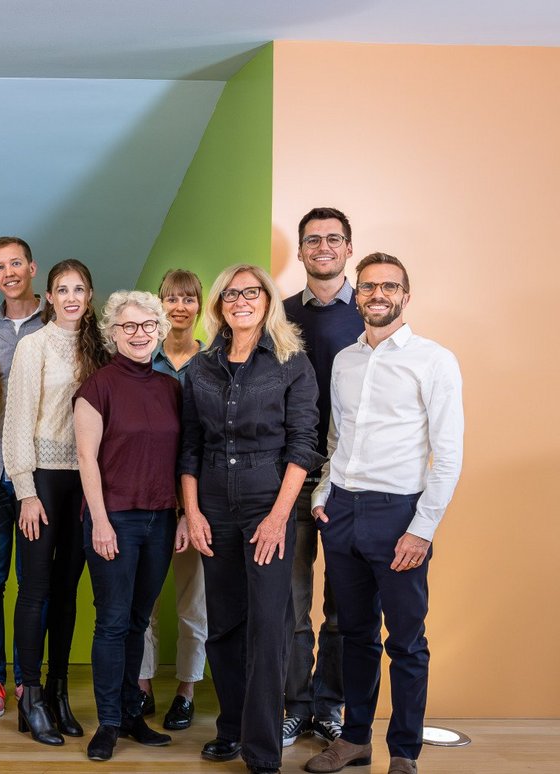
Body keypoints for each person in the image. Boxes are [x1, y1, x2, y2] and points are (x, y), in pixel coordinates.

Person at [302, 254, 464, 774]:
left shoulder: (434, 360)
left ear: (405, 296)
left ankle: (404, 752)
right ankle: (354, 741)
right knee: (354, 634)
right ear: (358, 295)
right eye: (369, 286)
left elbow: (448, 455)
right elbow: (336, 437)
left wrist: (422, 529)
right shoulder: (345, 361)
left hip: (399, 514)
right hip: (343, 511)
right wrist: (323, 494)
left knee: (407, 642)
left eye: (389, 287)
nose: (378, 294)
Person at [180, 264, 322, 774]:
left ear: (267, 300)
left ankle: (262, 751)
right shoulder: (202, 366)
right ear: (219, 305)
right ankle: (231, 729)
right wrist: (193, 512)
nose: (241, 301)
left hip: (269, 503)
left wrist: (279, 517)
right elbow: (190, 446)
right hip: (213, 505)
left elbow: (303, 444)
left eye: (251, 292)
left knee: (267, 626)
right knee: (223, 624)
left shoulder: (291, 361)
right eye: (231, 294)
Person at [74, 290, 181, 761]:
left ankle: (132, 714)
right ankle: (108, 722)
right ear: (112, 333)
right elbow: (86, 459)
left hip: (160, 520)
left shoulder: (171, 388)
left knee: (139, 621)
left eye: (148, 325)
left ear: (159, 330)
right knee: (113, 622)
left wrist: (181, 514)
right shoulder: (97, 387)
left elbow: (180, 457)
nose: (139, 334)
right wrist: (99, 521)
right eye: (129, 326)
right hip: (113, 519)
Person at [5, 258, 107, 746]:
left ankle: (57, 690)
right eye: (62, 289)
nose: (70, 297)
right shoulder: (34, 345)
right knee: (36, 589)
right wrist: (25, 491)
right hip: (43, 480)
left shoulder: (102, 346)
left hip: (86, 480)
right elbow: (17, 420)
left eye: (79, 289)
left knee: (68, 591)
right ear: (48, 297)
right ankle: (29, 695)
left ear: (89, 296)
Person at [282, 207, 364, 748]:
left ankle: (330, 705)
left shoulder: (371, 311)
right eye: (313, 240)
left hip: (351, 478)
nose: (323, 247)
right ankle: (295, 704)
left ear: (349, 248)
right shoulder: (281, 315)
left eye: (334, 239)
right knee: (291, 602)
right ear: (300, 251)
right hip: (291, 475)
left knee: (342, 607)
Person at [0, 236, 46, 718]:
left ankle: (28, 680)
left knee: (34, 582)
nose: (9, 272)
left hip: (44, 475)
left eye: (16, 263)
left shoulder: (59, 319)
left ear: (32, 268)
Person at [139, 269, 207, 731]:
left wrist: (191, 508)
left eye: (188, 298)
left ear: (199, 305)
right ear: (159, 304)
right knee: (142, 601)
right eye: (171, 298)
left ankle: (186, 690)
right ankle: (142, 686)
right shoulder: (145, 358)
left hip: (197, 500)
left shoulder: (214, 361)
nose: (179, 307)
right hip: (149, 496)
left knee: (192, 602)